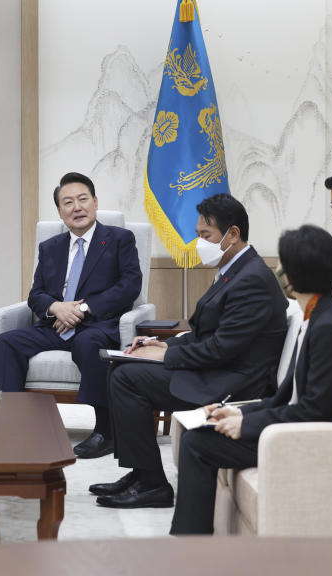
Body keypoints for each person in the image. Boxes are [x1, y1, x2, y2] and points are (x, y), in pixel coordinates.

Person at [170, 224, 332, 534]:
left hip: (312, 440)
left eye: (284, 263)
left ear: (298, 273)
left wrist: (247, 425)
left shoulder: (330, 326)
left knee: (198, 444)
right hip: (295, 426)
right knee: (197, 434)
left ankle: (191, 549)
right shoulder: (317, 314)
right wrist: (240, 412)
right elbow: (287, 397)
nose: (278, 269)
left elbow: (313, 411)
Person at [91, 193, 287, 508]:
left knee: (128, 379)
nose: (198, 243)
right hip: (215, 369)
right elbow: (202, 333)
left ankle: (153, 485)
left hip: (232, 382)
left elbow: (222, 348)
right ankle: (142, 473)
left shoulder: (252, 279)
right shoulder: (235, 269)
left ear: (232, 234)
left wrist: (166, 356)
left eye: (205, 235)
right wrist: (162, 344)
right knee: (121, 367)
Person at [0, 172, 143, 459]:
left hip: (97, 325)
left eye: (83, 199)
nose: (77, 207)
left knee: (89, 345)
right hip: (55, 326)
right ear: (60, 211)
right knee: (5, 342)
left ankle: (104, 431)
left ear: (95, 202)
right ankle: (11, 424)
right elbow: (36, 294)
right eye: (68, 202)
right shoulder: (51, 248)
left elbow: (129, 287)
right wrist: (57, 308)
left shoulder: (119, 238)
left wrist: (81, 309)